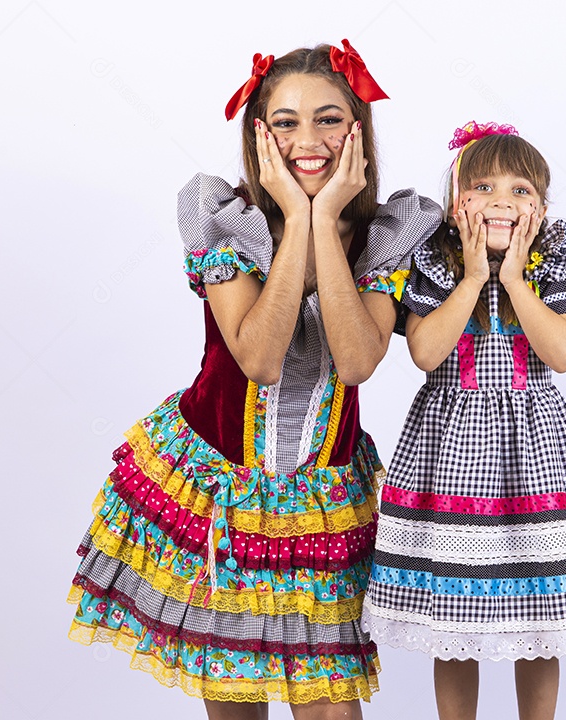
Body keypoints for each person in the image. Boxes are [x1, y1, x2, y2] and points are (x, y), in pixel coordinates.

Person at [66, 41, 442, 719]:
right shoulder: (225, 220)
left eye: (329, 119)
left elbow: (357, 362)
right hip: (220, 486)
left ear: (358, 127)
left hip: (323, 496)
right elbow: (260, 359)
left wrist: (324, 220)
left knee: (330, 704)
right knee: (235, 697)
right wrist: (295, 220)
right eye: (287, 121)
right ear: (259, 133)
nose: (309, 140)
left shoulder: (392, 231)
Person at [361, 122, 566, 720]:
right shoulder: (434, 264)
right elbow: (424, 354)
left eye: (520, 190)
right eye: (483, 186)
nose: (501, 201)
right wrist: (472, 278)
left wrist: (514, 279)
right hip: (449, 450)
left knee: (541, 604)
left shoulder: (549, 266)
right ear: (455, 201)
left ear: (541, 209)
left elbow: (562, 355)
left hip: (534, 449)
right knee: (455, 607)